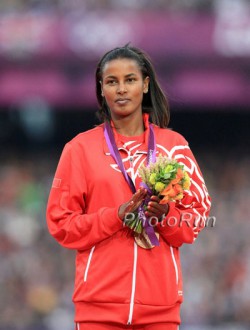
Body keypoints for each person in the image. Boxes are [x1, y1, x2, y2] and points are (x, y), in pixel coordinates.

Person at [46, 45, 211, 330]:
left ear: (145, 84)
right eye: (112, 81)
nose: (121, 89)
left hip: (160, 312)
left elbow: (197, 217)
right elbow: (60, 224)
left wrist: (165, 216)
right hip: (98, 311)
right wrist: (116, 216)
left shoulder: (174, 146)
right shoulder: (80, 149)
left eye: (130, 80)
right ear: (102, 89)